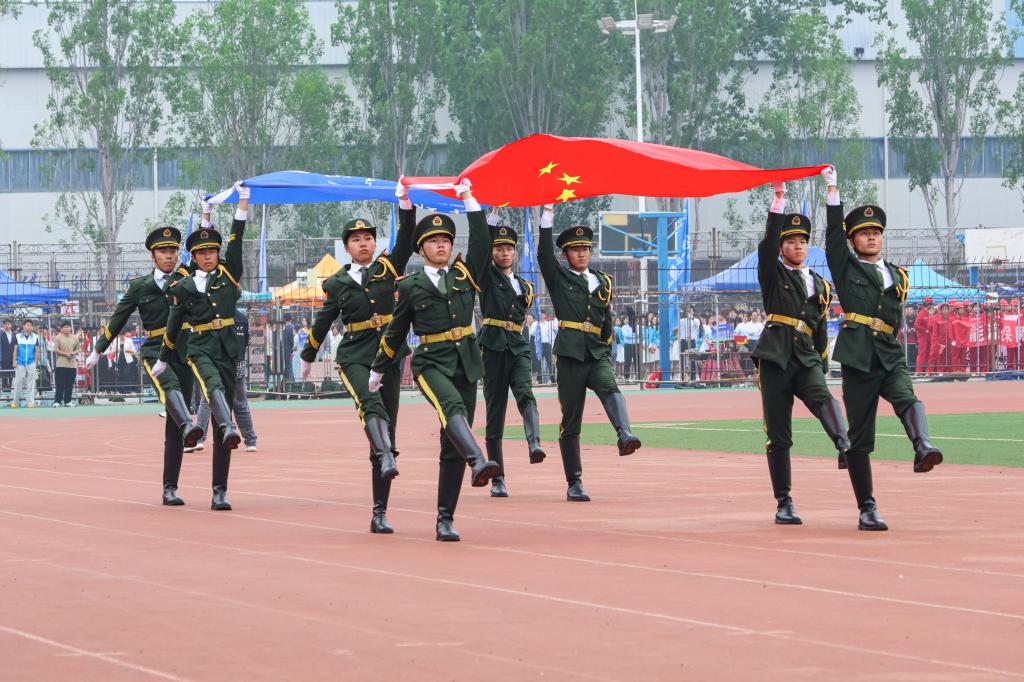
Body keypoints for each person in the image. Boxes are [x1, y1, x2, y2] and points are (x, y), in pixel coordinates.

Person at [369, 178, 498, 541]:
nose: (441, 245)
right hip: (431, 363)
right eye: (433, 241)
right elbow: (396, 331)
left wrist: (470, 199)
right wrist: (378, 369)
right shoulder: (410, 286)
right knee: (452, 407)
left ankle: (445, 519)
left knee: (451, 442)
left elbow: (482, 242)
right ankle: (479, 461)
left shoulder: (464, 275)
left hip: (466, 362)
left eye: (445, 241)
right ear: (421, 249)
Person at [822, 165, 943, 532]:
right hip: (859, 357)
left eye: (876, 232)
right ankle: (867, 508)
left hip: (889, 353)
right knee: (860, 437)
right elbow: (832, 238)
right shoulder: (846, 267)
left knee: (908, 397)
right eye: (864, 233)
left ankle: (922, 446)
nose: (872, 237)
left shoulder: (898, 274)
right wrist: (833, 192)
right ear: (853, 240)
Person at [300, 183, 415, 534]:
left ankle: (380, 511)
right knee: (370, 404)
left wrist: (405, 205)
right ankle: (386, 455)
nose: (363, 243)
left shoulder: (388, 267)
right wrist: (308, 355)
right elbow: (324, 320)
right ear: (346, 247)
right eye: (356, 239)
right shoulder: (336, 283)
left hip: (388, 353)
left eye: (368, 238)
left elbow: (407, 238)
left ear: (375, 244)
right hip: (354, 355)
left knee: (386, 429)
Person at [753, 181, 851, 525]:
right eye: (791, 241)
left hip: (806, 356)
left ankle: (844, 444)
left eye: (803, 241)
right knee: (779, 435)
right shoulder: (772, 271)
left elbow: (821, 328)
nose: (798, 246)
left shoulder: (820, 284)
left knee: (823, 398)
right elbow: (766, 244)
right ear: (782, 247)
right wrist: (777, 202)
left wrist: (821, 362)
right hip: (775, 357)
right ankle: (784, 502)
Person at [86, 226, 203, 504]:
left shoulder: (186, 277)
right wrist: (98, 350)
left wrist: (207, 217)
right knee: (171, 391)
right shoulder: (140, 286)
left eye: (173, 251)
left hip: (183, 351)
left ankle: (169, 488)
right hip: (154, 351)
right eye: (163, 251)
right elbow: (118, 318)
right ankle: (188, 424)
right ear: (153, 256)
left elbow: (204, 252)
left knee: (174, 424)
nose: (169, 256)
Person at [155, 182, 250, 511]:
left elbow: (236, 241)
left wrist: (242, 204)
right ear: (193, 257)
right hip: (198, 346)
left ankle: (219, 491)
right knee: (214, 390)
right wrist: (163, 358)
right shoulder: (183, 283)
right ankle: (227, 426)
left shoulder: (229, 274)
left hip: (227, 347)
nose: (208, 257)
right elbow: (172, 322)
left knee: (223, 411)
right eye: (202, 252)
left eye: (212, 251)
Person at [538, 204, 641, 502]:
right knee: (571, 419)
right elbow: (543, 255)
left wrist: (606, 348)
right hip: (570, 355)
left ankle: (624, 434)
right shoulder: (559, 277)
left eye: (585, 248)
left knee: (610, 387)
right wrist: (547, 216)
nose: (582, 254)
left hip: (596, 352)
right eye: (575, 249)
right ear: (565, 254)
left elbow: (606, 319)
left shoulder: (603, 281)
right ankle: (574, 482)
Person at [477, 208, 546, 497]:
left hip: (517, 347)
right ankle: (498, 478)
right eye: (499, 248)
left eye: (508, 249)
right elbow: (480, 250)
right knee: (495, 414)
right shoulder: (486, 275)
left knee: (526, 393)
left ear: (515, 252)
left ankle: (534, 443)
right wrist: (491, 218)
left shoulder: (525, 286)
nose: (504, 253)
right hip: (493, 348)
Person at [195, 307, 259, 452]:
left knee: (207, 401)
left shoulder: (214, 316)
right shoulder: (243, 318)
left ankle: (199, 439)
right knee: (240, 404)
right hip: (238, 365)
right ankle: (250, 441)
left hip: (217, 365)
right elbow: (247, 342)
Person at [12, 320, 46, 408]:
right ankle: (15, 402)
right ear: (23, 326)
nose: (29, 326)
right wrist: (14, 361)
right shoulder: (17, 336)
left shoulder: (35, 337)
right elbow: (15, 349)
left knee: (31, 383)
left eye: (30, 325)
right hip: (20, 362)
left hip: (31, 362)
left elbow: (37, 350)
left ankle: (30, 402)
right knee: (18, 382)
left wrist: (35, 362)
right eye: (27, 325)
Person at [52, 321, 80, 406]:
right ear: (61, 329)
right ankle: (57, 401)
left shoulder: (75, 338)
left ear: (71, 328)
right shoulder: (58, 337)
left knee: (70, 384)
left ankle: (68, 401)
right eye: (64, 327)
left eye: (68, 327)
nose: (66, 328)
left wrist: (74, 353)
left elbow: (78, 349)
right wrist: (65, 354)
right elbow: (55, 349)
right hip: (61, 364)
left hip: (72, 365)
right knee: (60, 384)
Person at [914, 298, 933, 374]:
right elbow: (916, 325)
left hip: (928, 336)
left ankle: (926, 371)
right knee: (922, 353)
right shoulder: (922, 313)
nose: (931, 306)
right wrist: (925, 330)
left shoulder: (929, 313)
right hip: (922, 337)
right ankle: (919, 371)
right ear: (927, 305)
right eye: (931, 304)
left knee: (928, 354)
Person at [1, 319, 14, 390]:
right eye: (5, 324)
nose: (7, 325)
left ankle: (10, 389)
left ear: (11, 325)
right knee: (4, 376)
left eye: (8, 324)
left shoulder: (14, 335)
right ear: (3, 325)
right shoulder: (1, 335)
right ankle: (5, 391)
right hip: (4, 359)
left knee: (11, 375)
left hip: (12, 358)